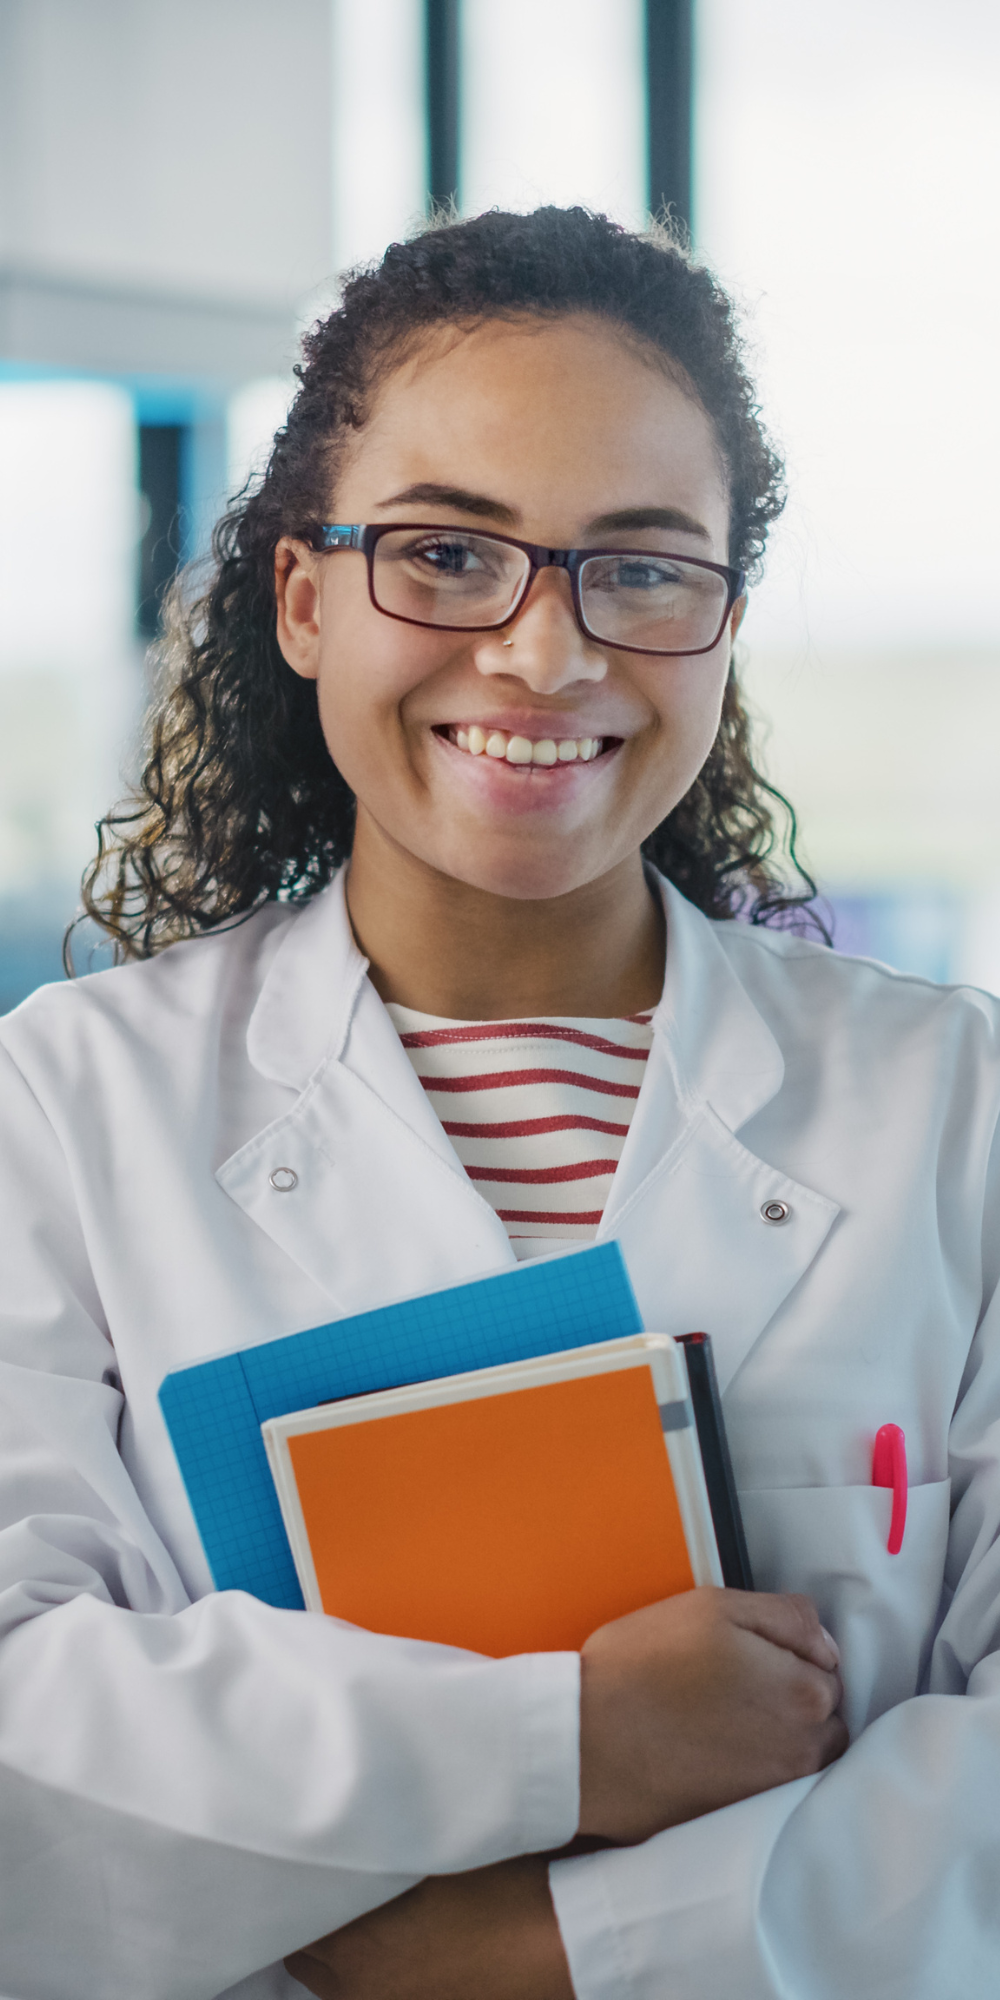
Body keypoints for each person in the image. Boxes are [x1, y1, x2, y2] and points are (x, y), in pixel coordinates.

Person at [1, 205, 998, 2000]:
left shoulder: (954, 1107)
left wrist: (539, 1953)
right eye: (448, 556)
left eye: (641, 566)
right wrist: (567, 1743)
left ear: (721, 623)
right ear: (303, 599)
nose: (544, 655)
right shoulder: (66, 1105)